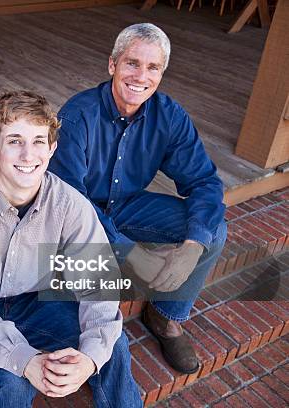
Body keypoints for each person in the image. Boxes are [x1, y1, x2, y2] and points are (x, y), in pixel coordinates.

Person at [0, 91, 142, 407]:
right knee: (14, 382)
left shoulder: (72, 206)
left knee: (112, 345)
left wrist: (89, 360)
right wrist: (26, 360)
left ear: (51, 149)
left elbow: (98, 288)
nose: (28, 154)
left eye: (38, 141)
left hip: (40, 301)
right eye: (15, 141)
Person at [48, 23, 227, 374]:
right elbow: (69, 202)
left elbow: (204, 181)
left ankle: (165, 317)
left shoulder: (169, 115)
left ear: (161, 73)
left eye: (153, 67)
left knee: (212, 230)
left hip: (129, 205)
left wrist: (191, 246)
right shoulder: (77, 116)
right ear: (112, 65)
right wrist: (133, 254)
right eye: (132, 63)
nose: (140, 76)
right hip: (75, 217)